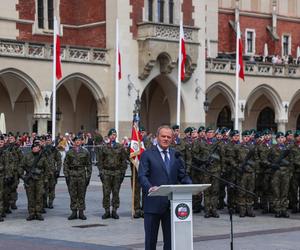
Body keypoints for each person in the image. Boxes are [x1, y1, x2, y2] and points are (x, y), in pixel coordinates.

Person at [138, 125, 192, 250]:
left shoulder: (176, 155)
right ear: (157, 137)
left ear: (172, 138)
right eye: (163, 136)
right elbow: (142, 176)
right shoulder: (147, 154)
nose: (166, 139)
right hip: (153, 204)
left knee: (170, 242)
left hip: (171, 206)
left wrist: (191, 186)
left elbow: (182, 175)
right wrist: (149, 187)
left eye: (169, 137)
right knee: (151, 242)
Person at [64, 136, 92, 220]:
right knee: (72, 194)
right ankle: (73, 212)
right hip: (72, 175)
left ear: (81, 142)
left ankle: (81, 212)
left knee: (81, 194)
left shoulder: (85, 152)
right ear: (74, 142)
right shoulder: (69, 152)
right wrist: (66, 175)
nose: (78, 142)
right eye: (76, 140)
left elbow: (89, 165)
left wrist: (88, 176)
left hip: (81, 175)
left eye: (79, 140)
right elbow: (66, 164)